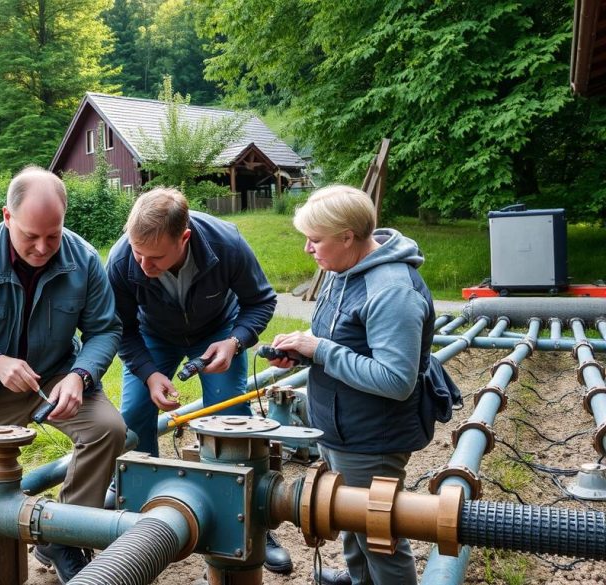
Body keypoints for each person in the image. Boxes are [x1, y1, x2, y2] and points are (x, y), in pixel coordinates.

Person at [0, 166, 127, 583]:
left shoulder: (85, 259)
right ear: (7, 217)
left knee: (109, 429)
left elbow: (104, 329)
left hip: (58, 375)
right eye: (30, 236)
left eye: (52, 235)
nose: (42, 248)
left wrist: (81, 375)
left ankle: (65, 539)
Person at [269, 185, 456, 585]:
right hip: (340, 427)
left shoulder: (391, 290)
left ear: (348, 237)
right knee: (351, 522)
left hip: (374, 435)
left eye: (315, 240)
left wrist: (319, 350)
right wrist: (304, 353)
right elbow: (347, 342)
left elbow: (396, 380)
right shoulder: (343, 268)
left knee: (380, 537)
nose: (307, 249)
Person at [106, 186, 291, 575]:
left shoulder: (227, 243)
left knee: (232, 415)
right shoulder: (123, 258)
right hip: (153, 335)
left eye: (154, 257)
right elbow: (119, 327)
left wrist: (235, 341)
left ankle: (250, 522)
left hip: (218, 329)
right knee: (134, 413)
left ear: (184, 237)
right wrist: (149, 372)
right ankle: (140, 515)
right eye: (137, 253)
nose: (142, 265)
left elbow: (261, 301)